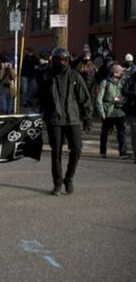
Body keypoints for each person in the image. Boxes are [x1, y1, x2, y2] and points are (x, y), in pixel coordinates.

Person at [38, 48, 92, 196]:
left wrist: (87, 117)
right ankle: (58, 183)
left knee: (77, 149)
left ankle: (69, 178)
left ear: (67, 60)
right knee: (56, 152)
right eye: (58, 60)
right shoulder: (47, 76)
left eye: (64, 60)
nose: (61, 63)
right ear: (53, 60)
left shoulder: (74, 76)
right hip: (54, 119)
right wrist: (41, 113)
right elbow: (40, 97)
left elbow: (85, 98)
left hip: (72, 118)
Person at [95, 64, 130, 159]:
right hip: (108, 112)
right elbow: (99, 99)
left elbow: (125, 95)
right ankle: (103, 152)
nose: (122, 73)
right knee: (104, 133)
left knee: (121, 133)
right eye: (120, 72)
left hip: (120, 111)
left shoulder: (122, 83)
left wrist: (121, 101)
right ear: (115, 73)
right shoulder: (105, 82)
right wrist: (101, 112)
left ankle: (123, 153)